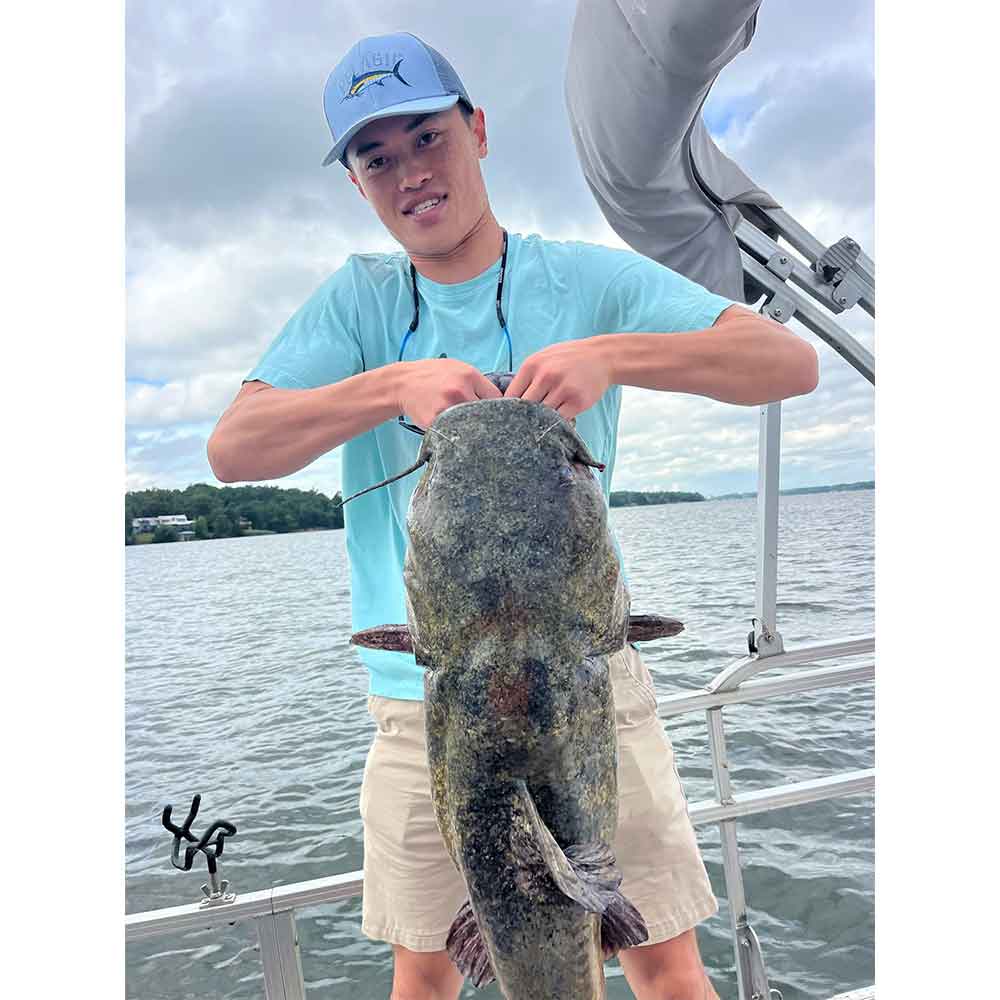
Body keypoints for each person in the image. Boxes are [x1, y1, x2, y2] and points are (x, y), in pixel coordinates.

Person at [208, 31, 818, 1000]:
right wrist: (388, 385)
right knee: (424, 975)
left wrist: (613, 355)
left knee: (665, 963)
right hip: (425, 702)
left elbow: (788, 363)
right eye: (378, 157)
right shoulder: (358, 303)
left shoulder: (584, 281)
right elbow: (234, 449)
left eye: (427, 137)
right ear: (358, 184)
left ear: (479, 130)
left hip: (591, 683)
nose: (411, 171)